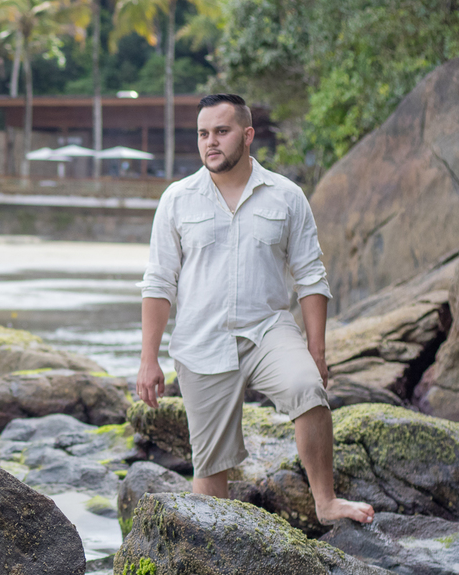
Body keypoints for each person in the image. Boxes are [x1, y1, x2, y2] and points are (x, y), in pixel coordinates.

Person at [135, 93, 373, 526]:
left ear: (247, 136)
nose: (211, 142)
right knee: (210, 468)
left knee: (308, 390)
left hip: (268, 331)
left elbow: (310, 276)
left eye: (221, 132)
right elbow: (159, 282)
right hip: (202, 340)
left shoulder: (285, 196)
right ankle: (220, 552)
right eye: (204, 134)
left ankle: (325, 501)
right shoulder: (177, 199)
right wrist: (148, 358)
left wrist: (316, 352)